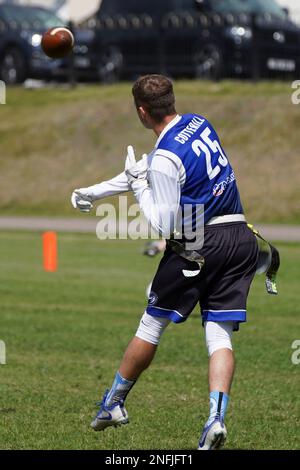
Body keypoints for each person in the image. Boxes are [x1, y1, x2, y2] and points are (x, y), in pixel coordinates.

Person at [71, 74, 259, 450]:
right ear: (171, 100)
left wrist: (138, 187)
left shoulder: (164, 157)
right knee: (219, 334)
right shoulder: (198, 122)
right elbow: (153, 170)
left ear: (142, 112)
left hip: (199, 241)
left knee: (151, 324)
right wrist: (94, 192)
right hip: (240, 235)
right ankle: (215, 419)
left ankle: (113, 403)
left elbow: (163, 220)